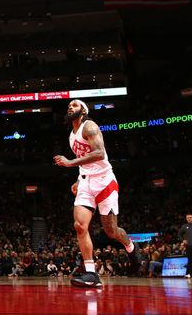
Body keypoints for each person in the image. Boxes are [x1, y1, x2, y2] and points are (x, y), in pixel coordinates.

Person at [54, 100, 141, 287]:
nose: (71, 107)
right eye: (69, 105)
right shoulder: (71, 135)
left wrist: (69, 163)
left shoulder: (90, 126)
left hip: (104, 181)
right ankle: (91, 274)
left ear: (83, 111)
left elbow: (100, 153)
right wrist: (79, 178)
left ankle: (131, 247)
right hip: (86, 181)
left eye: (75, 105)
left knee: (111, 231)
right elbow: (84, 161)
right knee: (79, 225)